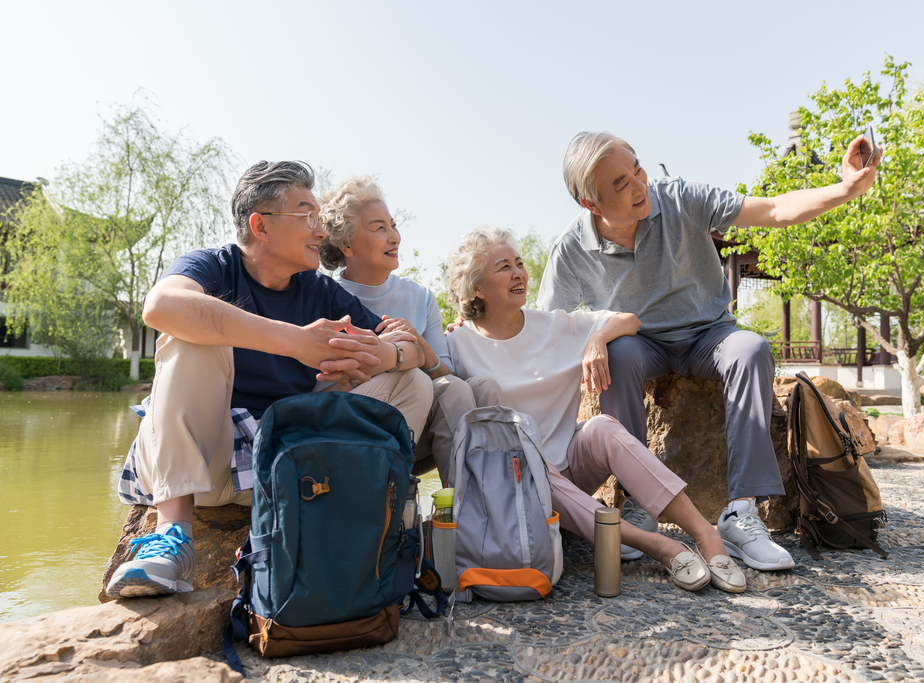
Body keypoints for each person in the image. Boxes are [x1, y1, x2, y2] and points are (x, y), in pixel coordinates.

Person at [537, 131, 882, 570]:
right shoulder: (571, 248)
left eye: (638, 169)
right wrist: (476, 326)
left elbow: (773, 209)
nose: (640, 186)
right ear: (591, 204)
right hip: (641, 343)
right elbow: (545, 328)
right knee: (618, 355)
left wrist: (846, 188)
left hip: (710, 334)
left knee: (752, 349)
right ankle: (641, 503)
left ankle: (741, 512)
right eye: (621, 184)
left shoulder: (680, 199)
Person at [106, 161, 433, 599]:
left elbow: (415, 352)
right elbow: (161, 306)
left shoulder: (321, 290)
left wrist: (386, 354)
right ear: (260, 225)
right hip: (207, 459)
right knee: (187, 336)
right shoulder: (214, 267)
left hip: (281, 467)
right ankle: (173, 537)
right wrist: (295, 342)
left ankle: (352, 518)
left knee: (414, 384)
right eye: (307, 216)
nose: (321, 231)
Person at [445, 226, 747, 594]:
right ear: (477, 288)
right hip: (515, 483)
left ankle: (705, 534)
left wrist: (597, 339)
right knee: (529, 458)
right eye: (504, 266)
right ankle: (660, 546)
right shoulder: (458, 343)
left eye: (520, 264)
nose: (519, 272)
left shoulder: (554, 325)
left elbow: (630, 320)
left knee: (602, 427)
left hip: (570, 465)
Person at [319, 175, 497, 484]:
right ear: (346, 244)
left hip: (426, 427)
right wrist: (390, 358)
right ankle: (471, 518)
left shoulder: (420, 297)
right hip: (361, 428)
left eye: (393, 225)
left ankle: (484, 505)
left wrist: (417, 348)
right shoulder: (325, 297)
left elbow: (446, 377)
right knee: (437, 384)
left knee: (483, 387)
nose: (394, 237)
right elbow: (324, 387)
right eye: (379, 228)